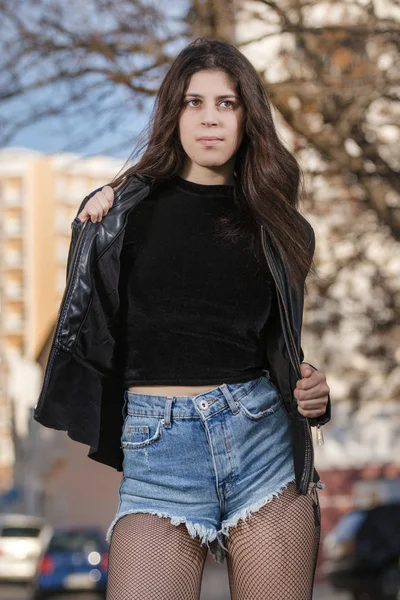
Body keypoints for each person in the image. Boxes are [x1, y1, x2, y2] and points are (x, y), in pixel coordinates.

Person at [34, 38, 331, 599]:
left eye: (227, 103)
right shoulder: (122, 216)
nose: (209, 119)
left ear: (248, 117)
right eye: (194, 102)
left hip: (262, 440)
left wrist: (314, 390)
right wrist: (96, 223)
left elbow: (281, 349)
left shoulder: (281, 227)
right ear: (174, 113)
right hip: (159, 451)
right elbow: (90, 328)